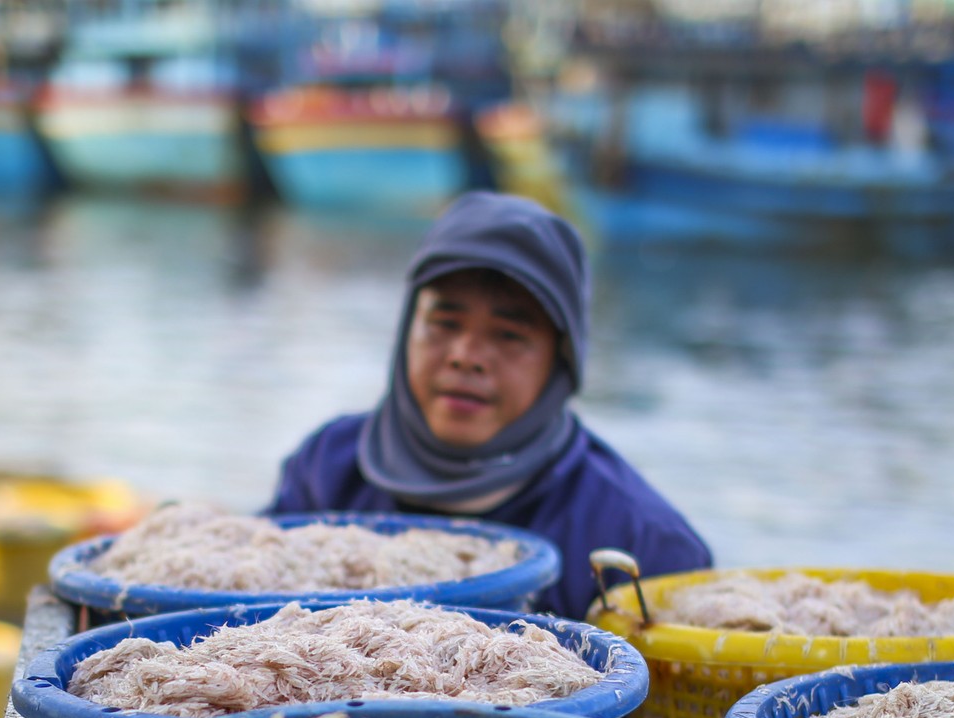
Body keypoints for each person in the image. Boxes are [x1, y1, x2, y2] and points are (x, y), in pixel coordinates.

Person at [268, 191, 711, 619]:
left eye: (509, 335)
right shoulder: (327, 471)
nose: (466, 355)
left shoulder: (640, 542)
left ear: (561, 360)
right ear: (408, 328)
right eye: (444, 322)